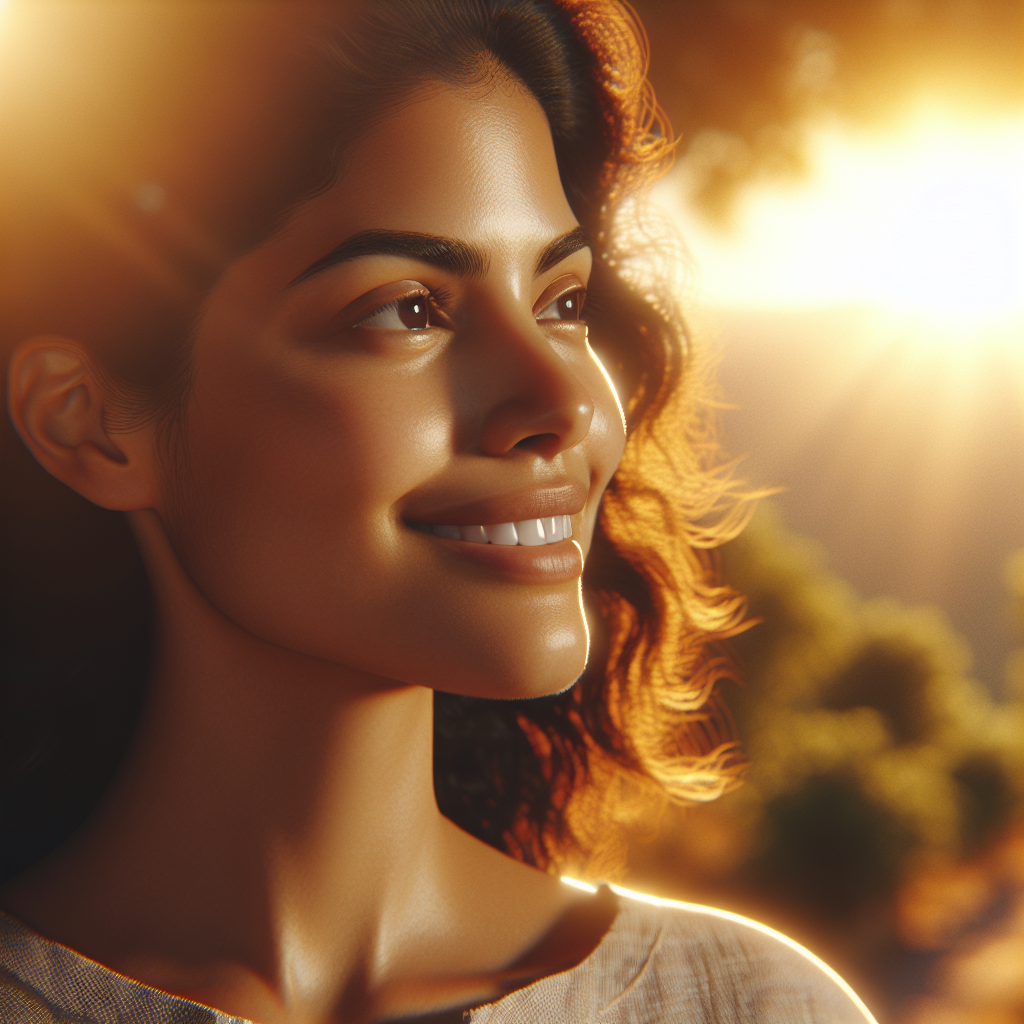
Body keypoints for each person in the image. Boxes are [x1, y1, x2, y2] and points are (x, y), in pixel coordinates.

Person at [0, 1, 877, 1021]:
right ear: (91, 424)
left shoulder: (746, 1007)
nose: (561, 404)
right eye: (406, 310)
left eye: (560, 302)